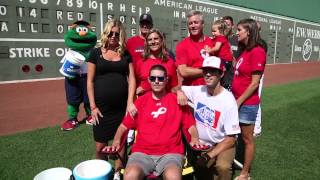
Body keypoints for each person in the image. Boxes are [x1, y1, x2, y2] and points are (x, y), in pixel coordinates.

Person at [106, 64, 202, 180]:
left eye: (160, 78)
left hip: (171, 153)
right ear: (149, 80)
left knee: (173, 177)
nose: (156, 81)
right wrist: (116, 141)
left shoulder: (176, 101)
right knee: (130, 175)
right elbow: (123, 126)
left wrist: (195, 138)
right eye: (153, 78)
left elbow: (191, 126)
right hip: (142, 152)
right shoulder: (140, 102)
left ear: (166, 80)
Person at [87, 19, 136, 180]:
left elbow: (132, 79)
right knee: (100, 146)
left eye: (117, 33)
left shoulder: (124, 53)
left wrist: (130, 102)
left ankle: (117, 173)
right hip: (101, 109)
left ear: (120, 35)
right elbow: (90, 81)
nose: (113, 36)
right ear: (105, 33)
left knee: (120, 143)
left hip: (121, 108)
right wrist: (93, 107)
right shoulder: (96, 53)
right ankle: (103, 173)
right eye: (110, 33)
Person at [177, 56, 241, 180]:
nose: (207, 74)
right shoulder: (198, 90)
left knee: (222, 167)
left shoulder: (228, 100)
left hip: (223, 143)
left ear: (221, 74)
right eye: (205, 71)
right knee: (202, 171)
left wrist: (209, 155)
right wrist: (179, 92)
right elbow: (175, 88)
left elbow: (231, 139)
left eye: (212, 71)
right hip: (202, 145)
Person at [232, 19, 266, 180]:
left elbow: (254, 84)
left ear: (249, 32)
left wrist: (238, 102)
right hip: (236, 101)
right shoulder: (244, 51)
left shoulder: (257, 51)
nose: (236, 32)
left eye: (239, 30)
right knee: (232, 135)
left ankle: (245, 173)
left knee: (247, 139)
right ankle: (231, 162)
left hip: (246, 105)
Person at [60, 20, 97, 130]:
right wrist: (69, 73)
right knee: (73, 99)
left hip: (88, 78)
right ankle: (72, 119)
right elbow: (65, 66)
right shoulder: (70, 52)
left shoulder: (93, 52)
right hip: (72, 79)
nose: (81, 33)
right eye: (79, 30)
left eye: (84, 30)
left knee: (88, 98)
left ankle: (90, 116)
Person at [135, 29, 178, 95]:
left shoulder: (170, 62)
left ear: (161, 41)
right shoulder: (140, 63)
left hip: (164, 103)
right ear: (147, 43)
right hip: (145, 102)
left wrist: (179, 92)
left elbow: (174, 87)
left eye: (156, 38)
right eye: (150, 40)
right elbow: (135, 84)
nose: (153, 42)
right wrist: (138, 88)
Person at [175, 10, 212, 86]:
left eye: (196, 22)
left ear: (202, 24)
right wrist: (209, 72)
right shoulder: (182, 45)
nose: (193, 25)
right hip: (192, 91)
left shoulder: (212, 42)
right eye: (190, 23)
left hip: (212, 90)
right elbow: (183, 71)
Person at [205, 19, 234, 90]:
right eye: (212, 31)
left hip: (225, 60)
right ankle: (223, 86)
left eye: (215, 31)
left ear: (221, 31)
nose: (213, 33)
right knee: (220, 75)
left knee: (221, 75)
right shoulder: (216, 38)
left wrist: (209, 50)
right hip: (223, 60)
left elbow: (217, 48)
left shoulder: (220, 38)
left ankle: (227, 86)